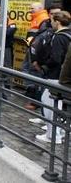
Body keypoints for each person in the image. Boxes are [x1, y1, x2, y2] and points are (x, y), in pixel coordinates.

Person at [35, 11, 71, 144]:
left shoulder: (59, 37)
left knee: (49, 102)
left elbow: (56, 58)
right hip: (64, 76)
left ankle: (52, 135)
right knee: (59, 104)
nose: (50, 23)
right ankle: (58, 131)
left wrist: (44, 66)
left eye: (52, 21)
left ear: (57, 22)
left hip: (56, 75)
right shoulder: (68, 35)